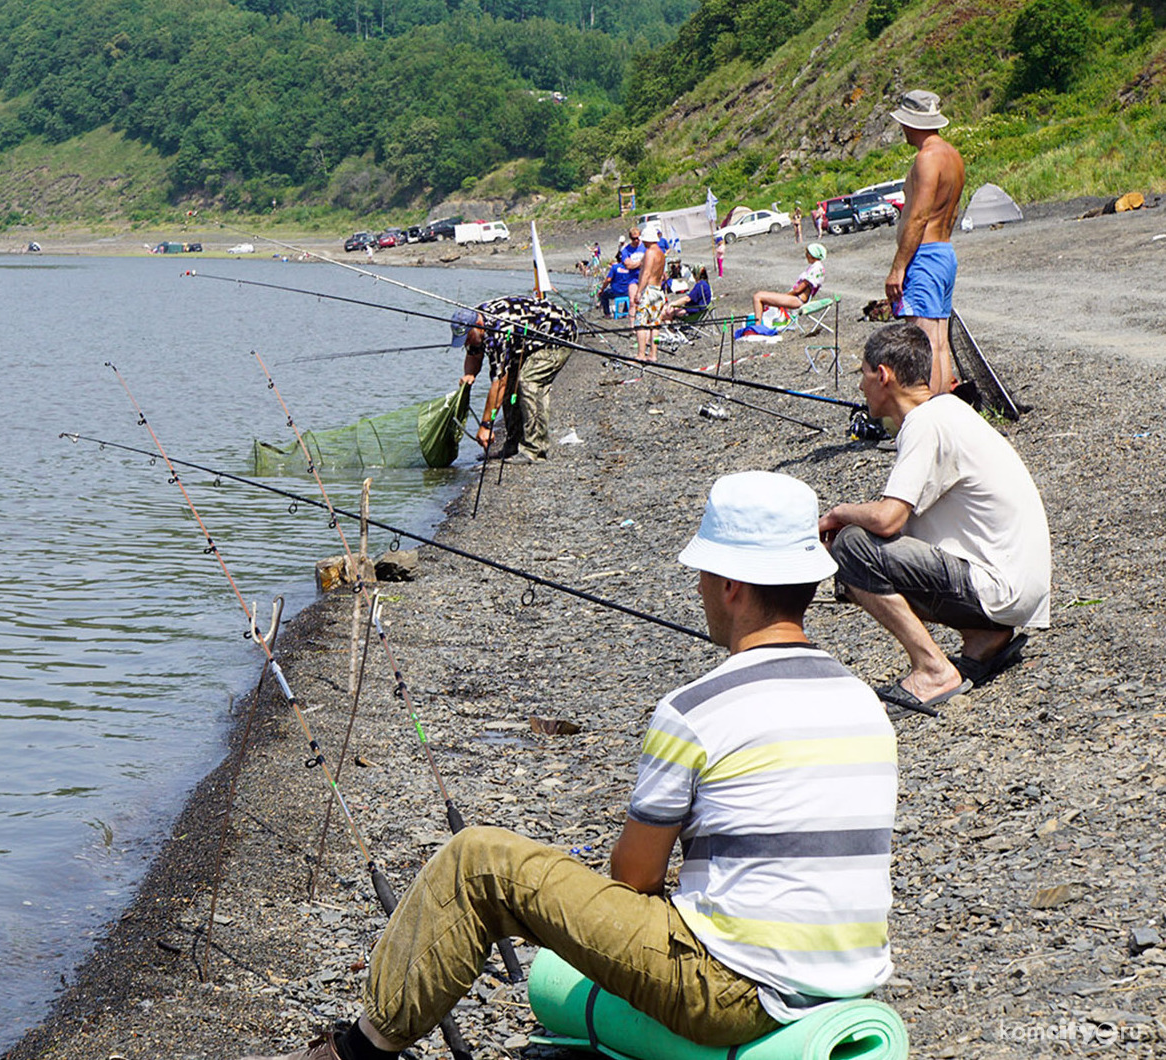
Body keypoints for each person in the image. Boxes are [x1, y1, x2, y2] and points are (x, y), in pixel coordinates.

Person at [243, 472, 897, 1060]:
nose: (697, 588)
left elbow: (633, 878)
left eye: (701, 574)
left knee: (479, 861)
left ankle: (355, 1052)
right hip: (849, 978)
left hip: (733, 993)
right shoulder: (863, 701)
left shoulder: (697, 710)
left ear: (729, 586)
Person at [819, 324, 1051, 713]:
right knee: (860, 550)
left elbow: (889, 519)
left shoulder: (926, 423)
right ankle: (983, 636)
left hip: (998, 586)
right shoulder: (947, 413)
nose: (860, 386)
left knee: (853, 546)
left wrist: (838, 515)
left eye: (862, 373)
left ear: (883, 374)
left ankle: (932, 669)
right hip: (1015, 586)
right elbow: (903, 527)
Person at [886, 89, 966, 396]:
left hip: (926, 255)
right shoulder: (953, 157)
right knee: (941, 342)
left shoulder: (927, 158)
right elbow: (952, 210)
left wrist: (898, 269)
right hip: (944, 251)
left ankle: (931, 420)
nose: (902, 129)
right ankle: (944, 413)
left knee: (924, 343)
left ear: (912, 123)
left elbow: (919, 217)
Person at [452, 294, 575, 463]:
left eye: (467, 337)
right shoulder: (475, 324)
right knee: (511, 387)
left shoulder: (497, 332)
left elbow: (499, 383)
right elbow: (474, 353)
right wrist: (469, 374)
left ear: (479, 326)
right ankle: (512, 445)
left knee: (528, 383)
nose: (467, 343)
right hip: (525, 340)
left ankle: (535, 450)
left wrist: (486, 425)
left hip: (557, 335)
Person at [750, 242, 825, 326]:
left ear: (812, 255)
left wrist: (786, 296)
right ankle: (759, 325)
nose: (806, 255)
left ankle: (758, 326)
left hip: (797, 299)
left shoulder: (816, 268)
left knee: (758, 296)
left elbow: (798, 289)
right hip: (797, 298)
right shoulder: (817, 267)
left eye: (807, 253)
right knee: (760, 295)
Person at [632, 221, 669, 361]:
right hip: (658, 291)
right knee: (655, 325)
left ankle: (641, 354)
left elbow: (646, 273)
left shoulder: (650, 253)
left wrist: (639, 292)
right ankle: (653, 354)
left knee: (640, 324)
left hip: (649, 290)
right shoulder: (661, 253)